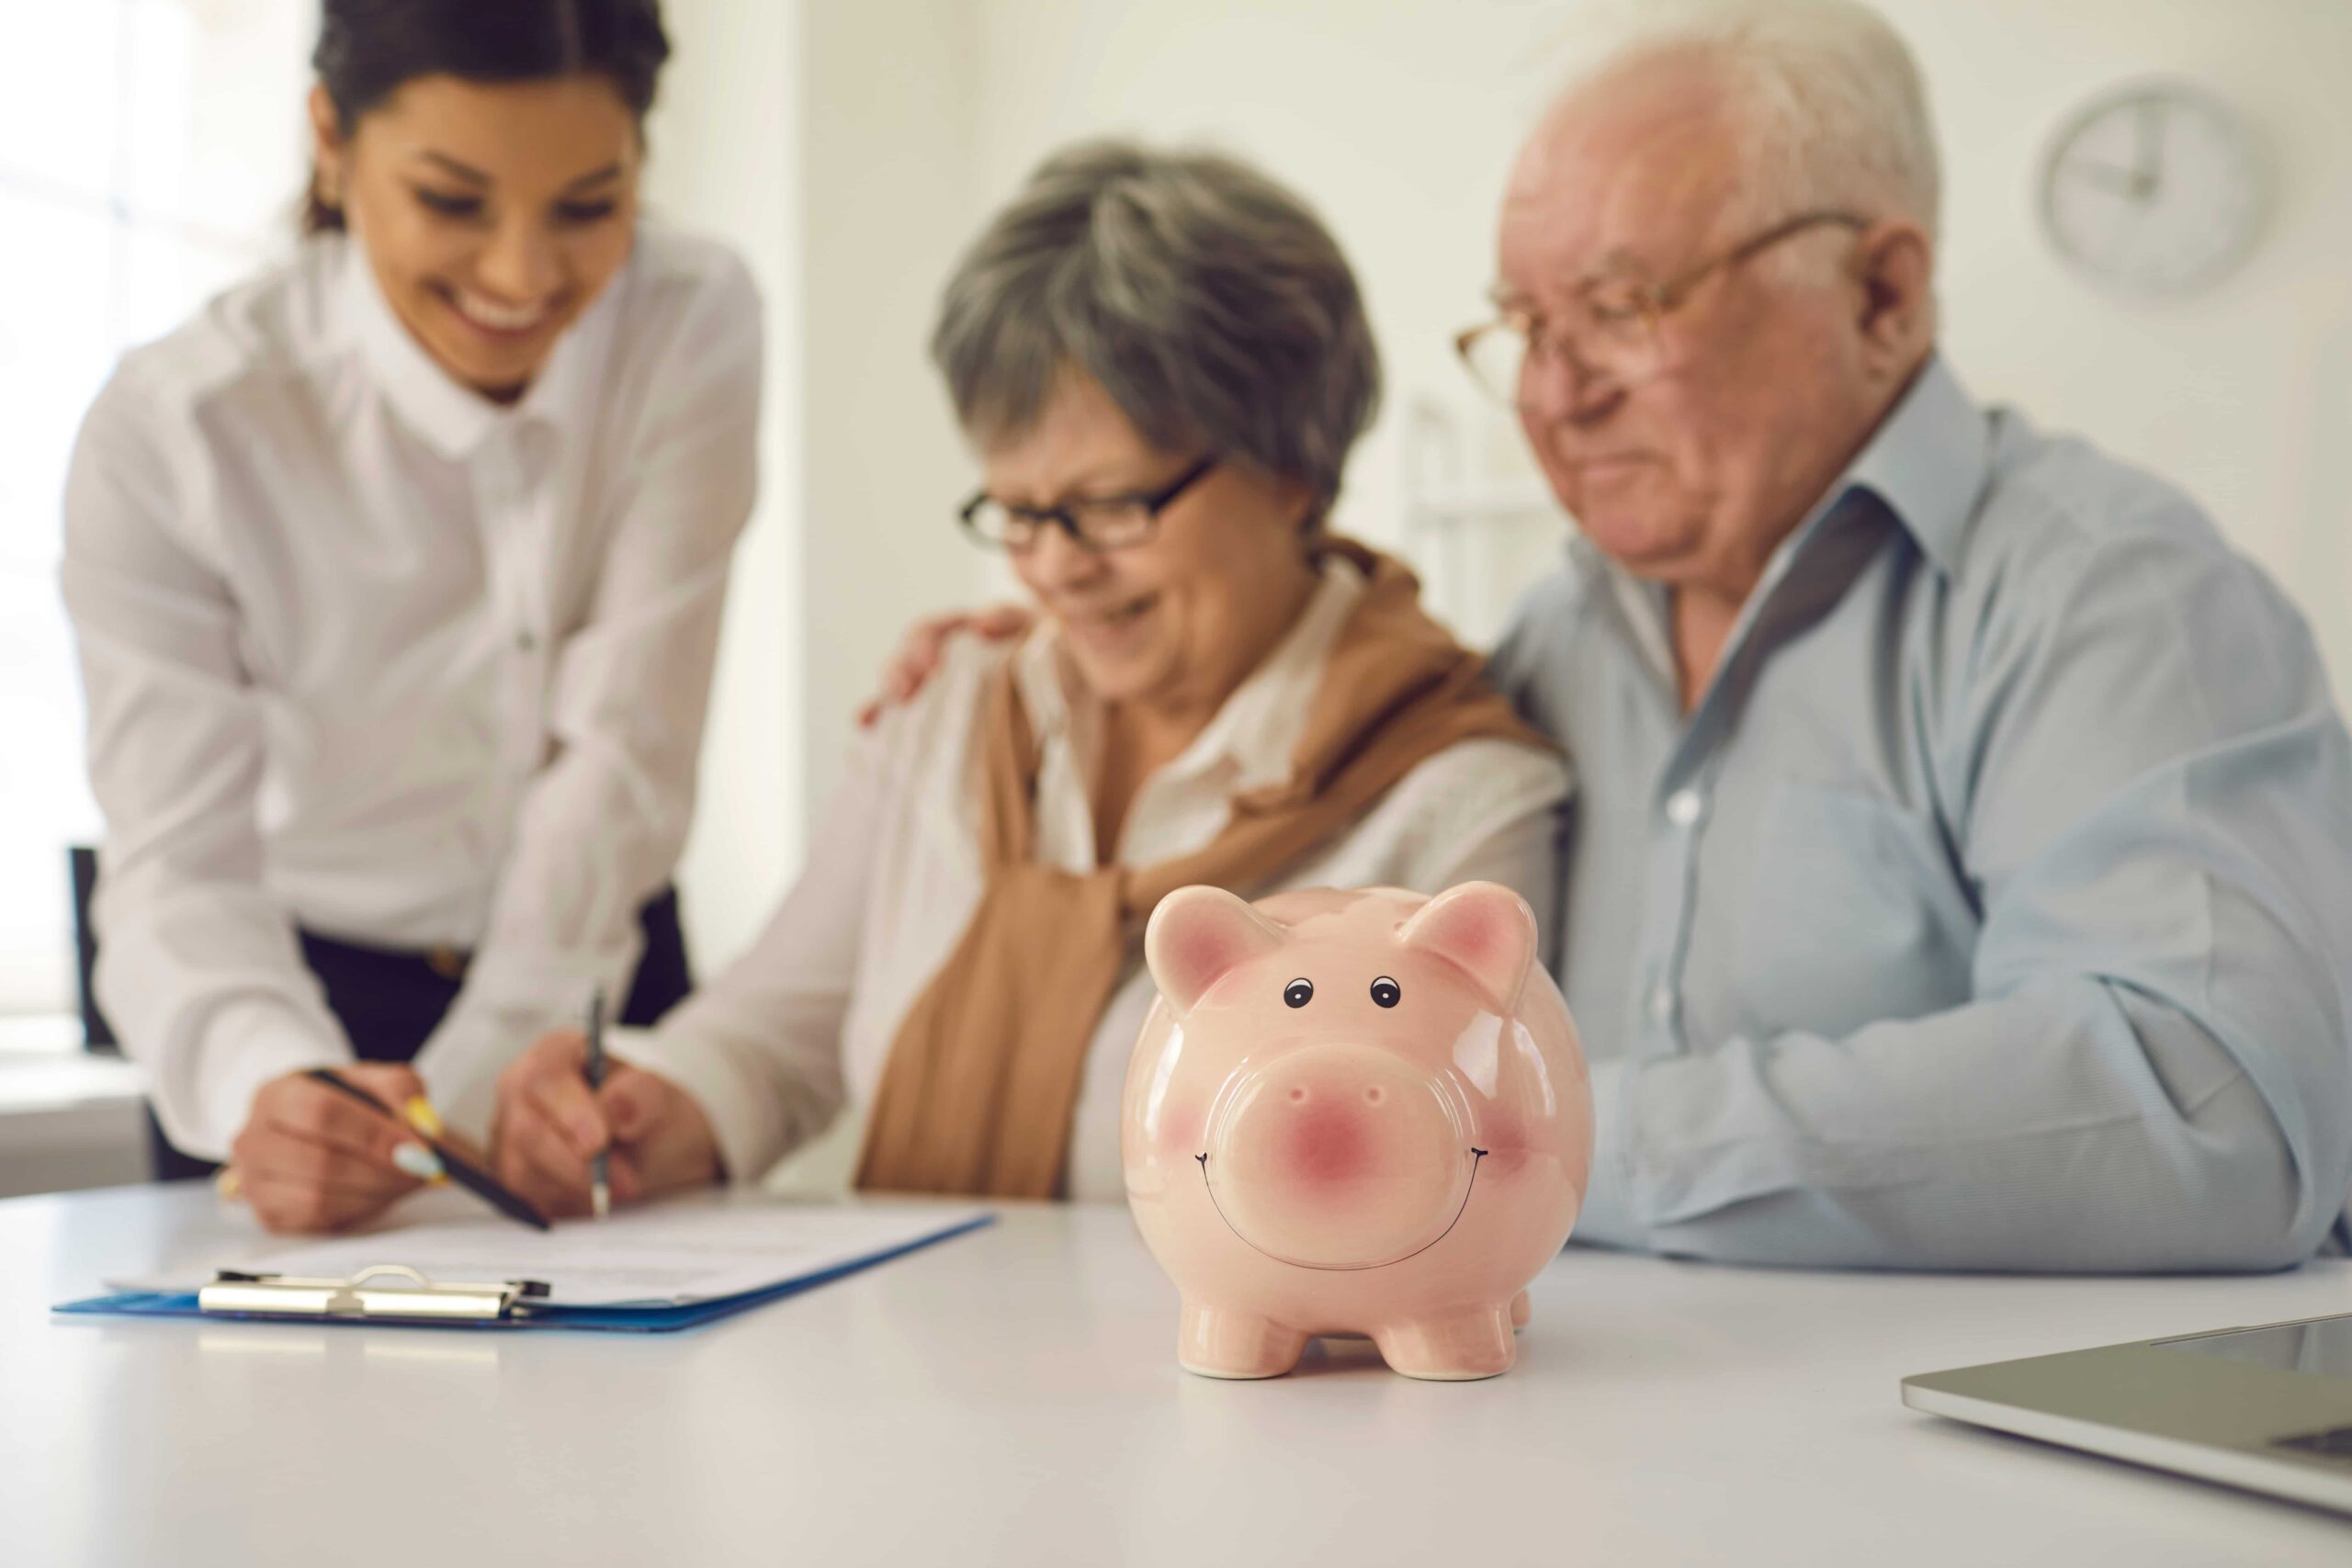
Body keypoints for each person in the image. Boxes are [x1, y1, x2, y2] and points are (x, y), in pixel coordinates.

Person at [874, 0, 2352, 1270]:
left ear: (1883, 294)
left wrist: (1536, 1132)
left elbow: (2214, 1104)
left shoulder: (2110, 594)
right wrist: (1066, 623)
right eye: (1526, 324)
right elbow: (1336, 759)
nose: (1555, 393)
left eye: (1625, 308)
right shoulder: (1550, 641)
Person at [485, 141, 1569, 1214]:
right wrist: (636, 1114)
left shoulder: (1453, 800)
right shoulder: (956, 706)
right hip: (922, 1364)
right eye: (1019, 512)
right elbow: (775, 1035)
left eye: (1110, 507)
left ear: (1291, 467)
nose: (1056, 567)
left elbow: (1450, 1182)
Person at [61, 0, 762, 1234]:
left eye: (590, 206)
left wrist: (479, 1081)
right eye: (452, 200)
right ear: (329, 136)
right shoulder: (176, 429)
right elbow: (175, 858)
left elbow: (627, 751)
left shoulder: (692, 319)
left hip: (592, 968)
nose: (524, 276)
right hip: (293, 997)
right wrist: (267, 1084)